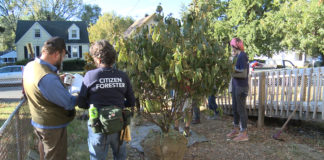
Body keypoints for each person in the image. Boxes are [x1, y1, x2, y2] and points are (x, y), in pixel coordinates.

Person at [77, 40, 135, 160]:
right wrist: (117, 104)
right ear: (113, 58)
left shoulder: (90, 76)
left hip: (98, 126)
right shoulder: (122, 76)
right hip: (119, 124)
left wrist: (93, 103)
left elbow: (81, 103)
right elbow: (131, 102)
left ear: (98, 59)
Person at [23, 36, 77, 160]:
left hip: (38, 121)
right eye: (63, 56)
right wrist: (83, 95)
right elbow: (68, 102)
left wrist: (58, 80)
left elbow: (38, 87)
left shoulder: (30, 66)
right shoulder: (48, 78)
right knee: (55, 156)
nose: (63, 59)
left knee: (44, 151)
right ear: (57, 54)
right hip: (52, 127)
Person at [226, 38, 249, 142]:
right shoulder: (236, 56)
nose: (231, 49)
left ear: (236, 46)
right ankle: (236, 129)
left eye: (232, 46)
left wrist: (231, 72)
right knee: (235, 108)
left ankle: (244, 133)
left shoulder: (243, 56)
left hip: (241, 86)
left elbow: (244, 74)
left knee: (241, 109)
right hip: (236, 85)